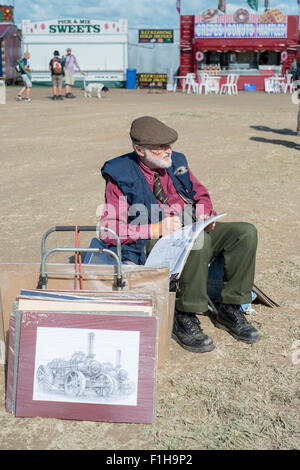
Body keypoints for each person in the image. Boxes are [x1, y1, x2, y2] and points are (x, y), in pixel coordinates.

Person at [99, 116, 260, 353]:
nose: (168, 151)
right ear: (139, 150)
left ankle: (231, 308)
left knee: (245, 232)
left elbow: (200, 192)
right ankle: (183, 314)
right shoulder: (120, 175)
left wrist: (205, 211)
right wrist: (153, 229)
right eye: (161, 147)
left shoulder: (176, 162)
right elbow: (108, 231)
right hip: (152, 242)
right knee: (198, 242)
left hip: (188, 229)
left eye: (169, 145)